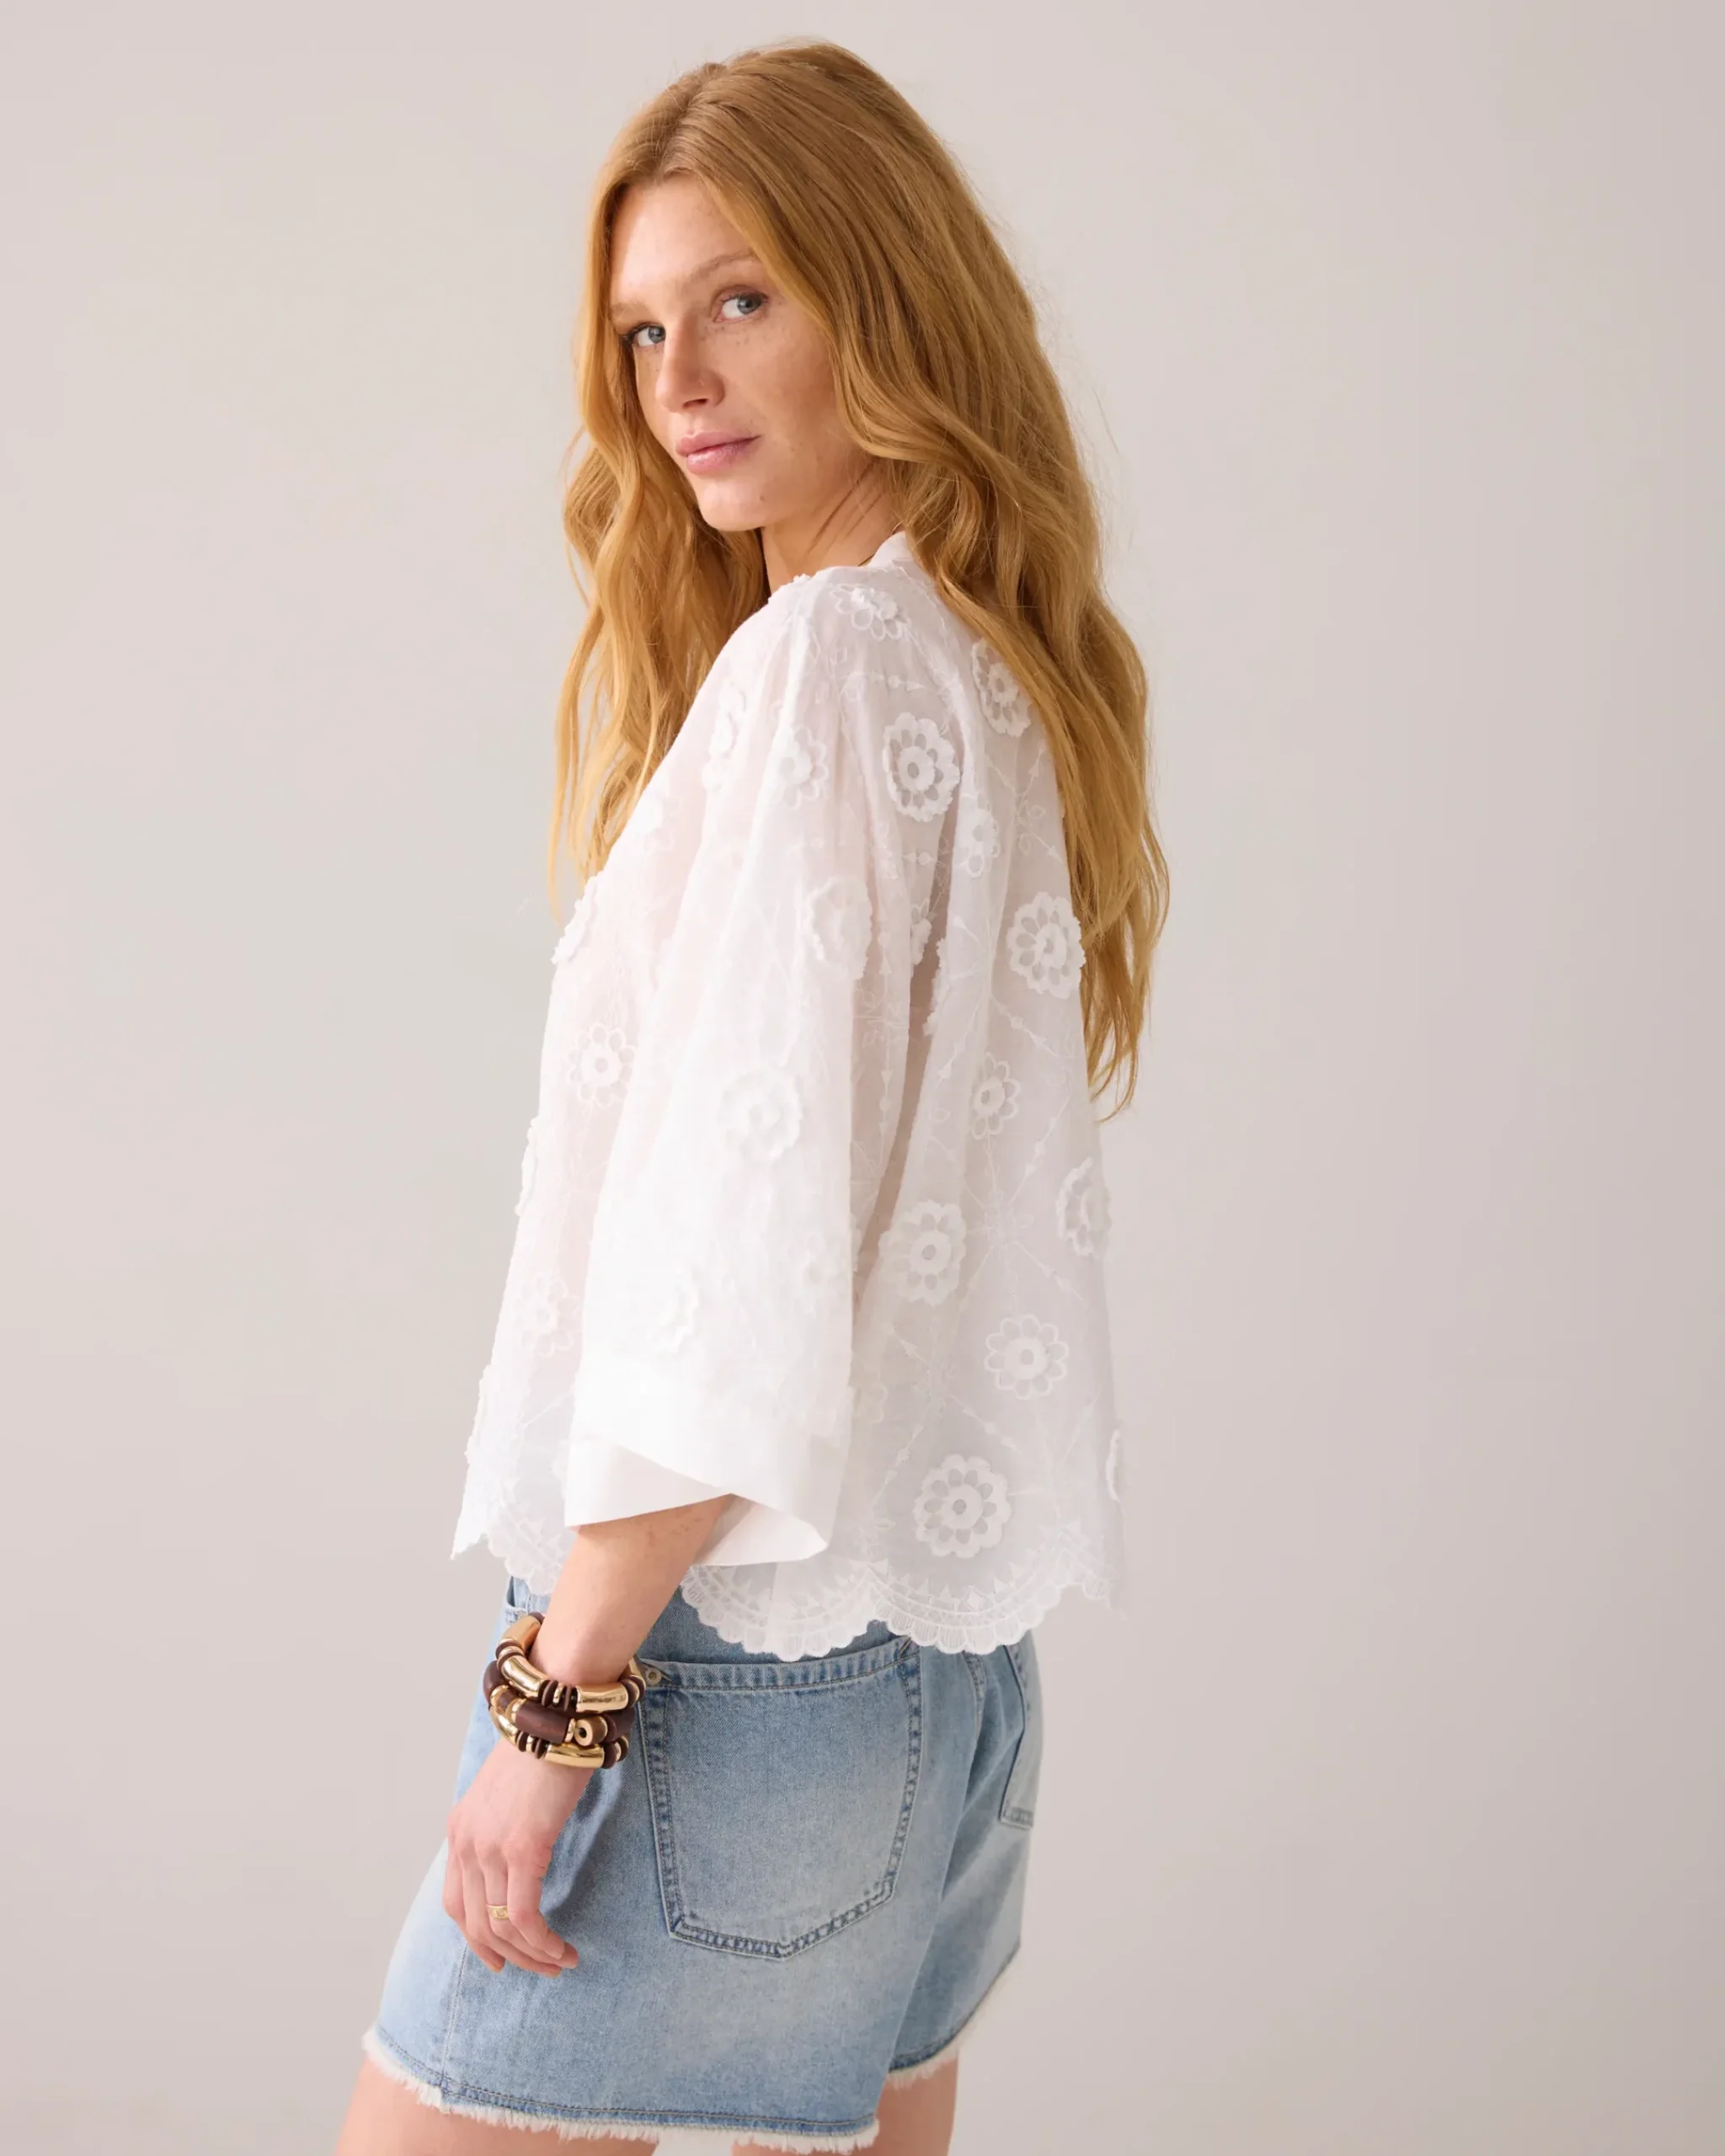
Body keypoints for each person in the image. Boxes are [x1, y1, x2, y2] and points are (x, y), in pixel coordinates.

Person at [336, 35, 1167, 2156]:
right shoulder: (981, 662)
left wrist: (556, 1698)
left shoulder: (824, 670)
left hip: (729, 1668)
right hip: (940, 1683)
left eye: (741, 297)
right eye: (641, 329)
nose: (680, 379)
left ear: (880, 296)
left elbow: (739, 1265)